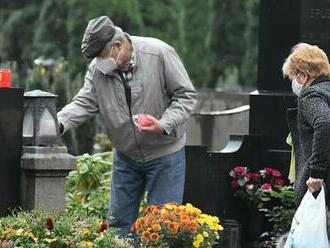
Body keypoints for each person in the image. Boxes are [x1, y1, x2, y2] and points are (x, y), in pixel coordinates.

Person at [57, 16, 197, 237]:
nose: (104, 67)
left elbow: (186, 97)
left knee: (163, 228)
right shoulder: (97, 69)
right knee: (118, 226)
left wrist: (164, 123)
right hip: (126, 156)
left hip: (165, 155)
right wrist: (57, 123)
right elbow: (84, 102)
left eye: (106, 59)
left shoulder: (159, 53)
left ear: (119, 45)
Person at [282, 43, 330, 207]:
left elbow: (324, 122)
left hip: (321, 187)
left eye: (292, 76)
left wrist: (316, 172)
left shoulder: (311, 95)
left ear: (303, 75)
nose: (292, 81)